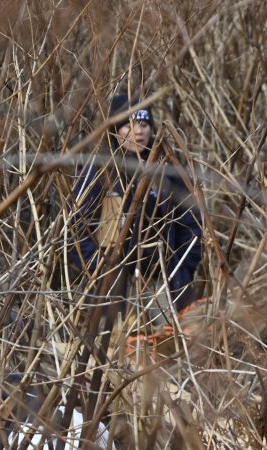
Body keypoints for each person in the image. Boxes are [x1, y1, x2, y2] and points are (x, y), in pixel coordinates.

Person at [69, 93, 203, 332]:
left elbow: (191, 224)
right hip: (111, 285)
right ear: (115, 130)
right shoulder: (99, 171)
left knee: (169, 347)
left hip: (160, 283)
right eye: (128, 125)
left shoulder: (166, 168)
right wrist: (99, 269)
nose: (138, 131)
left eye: (143, 124)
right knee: (112, 351)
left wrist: (181, 270)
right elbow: (74, 230)